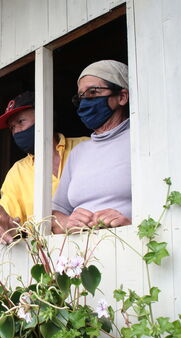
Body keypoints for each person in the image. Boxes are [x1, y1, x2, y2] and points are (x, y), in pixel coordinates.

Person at [0, 91, 88, 244]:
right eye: (12, 128)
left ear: (45, 115)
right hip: (49, 261)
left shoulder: (85, 146)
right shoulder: (17, 172)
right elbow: (1, 218)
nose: (17, 132)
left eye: (21, 121)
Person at [52, 60, 131, 234]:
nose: (85, 101)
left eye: (93, 92)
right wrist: (67, 222)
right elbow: (55, 212)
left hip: (131, 248)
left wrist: (131, 224)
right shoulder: (79, 152)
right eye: (81, 96)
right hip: (80, 254)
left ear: (122, 97)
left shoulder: (142, 141)